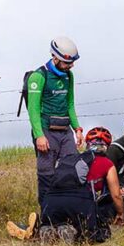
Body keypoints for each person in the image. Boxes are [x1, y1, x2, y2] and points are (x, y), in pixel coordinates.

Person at [31, 126, 124, 243]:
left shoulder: (73, 159)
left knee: (61, 218)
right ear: (107, 146)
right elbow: (116, 195)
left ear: (88, 144)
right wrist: (120, 214)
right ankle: (72, 232)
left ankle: (50, 228)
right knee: (95, 234)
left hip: (50, 203)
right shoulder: (107, 163)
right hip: (78, 203)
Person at [26, 37, 82, 206]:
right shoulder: (38, 76)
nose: (70, 66)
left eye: (72, 62)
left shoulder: (69, 76)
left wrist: (77, 128)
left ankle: (69, 208)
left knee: (72, 169)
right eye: (67, 62)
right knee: (46, 174)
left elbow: (69, 103)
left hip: (65, 129)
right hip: (46, 130)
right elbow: (33, 110)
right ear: (55, 58)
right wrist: (39, 136)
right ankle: (47, 213)